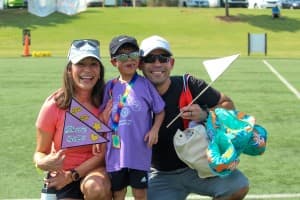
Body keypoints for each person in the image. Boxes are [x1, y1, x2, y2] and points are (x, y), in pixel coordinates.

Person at [139, 35, 249, 200]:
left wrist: (205, 115)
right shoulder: (133, 95)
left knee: (237, 186)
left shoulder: (188, 84)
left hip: (199, 167)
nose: (157, 64)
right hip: (160, 175)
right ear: (140, 64)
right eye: (150, 58)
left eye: (163, 58)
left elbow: (228, 105)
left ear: (172, 63)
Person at [34, 39, 111, 200]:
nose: (87, 70)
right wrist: (43, 162)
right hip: (61, 177)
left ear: (100, 70)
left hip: (96, 172)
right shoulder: (54, 105)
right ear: (70, 69)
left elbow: (105, 153)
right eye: (81, 64)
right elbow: (40, 152)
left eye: (93, 64)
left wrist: (72, 175)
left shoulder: (108, 101)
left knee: (96, 188)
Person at [100, 35, 165, 200]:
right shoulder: (110, 87)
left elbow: (160, 110)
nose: (129, 59)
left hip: (139, 150)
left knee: (140, 192)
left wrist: (155, 130)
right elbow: (100, 117)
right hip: (115, 152)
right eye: (122, 56)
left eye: (133, 55)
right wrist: (103, 122)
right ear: (114, 62)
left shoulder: (145, 84)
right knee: (118, 192)